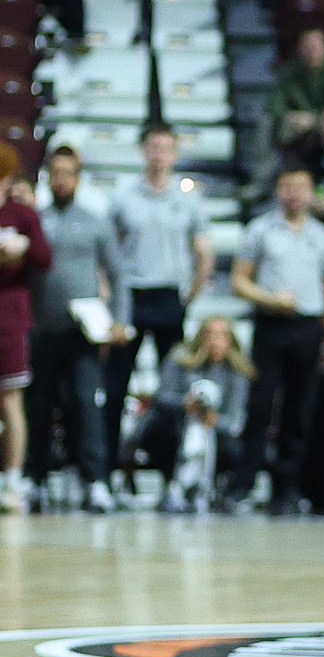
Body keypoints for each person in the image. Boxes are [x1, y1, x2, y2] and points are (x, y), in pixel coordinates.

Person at [230, 167, 324, 513]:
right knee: (260, 405)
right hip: (270, 325)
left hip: (307, 327)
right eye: (287, 186)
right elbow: (240, 281)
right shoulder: (260, 230)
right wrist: (270, 298)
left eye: (301, 187)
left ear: (312, 194)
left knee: (299, 408)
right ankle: (244, 483)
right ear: (278, 191)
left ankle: (287, 486)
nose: (294, 193)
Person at [102, 125, 212, 475]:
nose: (159, 154)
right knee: (116, 385)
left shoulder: (188, 200)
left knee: (172, 390)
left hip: (169, 296)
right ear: (142, 150)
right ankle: (106, 470)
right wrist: (108, 292)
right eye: (153, 147)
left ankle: (169, 469)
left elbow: (203, 251)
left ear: (175, 153)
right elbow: (107, 249)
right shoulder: (124, 196)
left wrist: (190, 293)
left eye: (166, 148)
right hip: (131, 296)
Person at [29, 146, 126, 510]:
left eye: (68, 173)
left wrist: (119, 319)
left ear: (78, 178)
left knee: (86, 404)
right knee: (38, 406)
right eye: (55, 173)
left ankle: (96, 480)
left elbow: (117, 273)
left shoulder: (96, 221)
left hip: (83, 332)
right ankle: (33, 478)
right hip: (43, 328)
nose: (61, 180)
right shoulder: (37, 220)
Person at [146, 317, 252, 512]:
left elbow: (235, 419)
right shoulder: (179, 359)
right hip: (179, 427)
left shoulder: (238, 372)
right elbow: (161, 397)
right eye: (209, 335)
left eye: (221, 336)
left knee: (233, 446)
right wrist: (185, 405)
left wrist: (214, 421)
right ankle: (174, 485)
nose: (214, 341)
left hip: (214, 434)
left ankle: (213, 488)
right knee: (163, 430)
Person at [0, 153, 45, 515]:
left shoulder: (22, 215)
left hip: (10, 319)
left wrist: (24, 247)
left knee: (11, 399)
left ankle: (13, 477)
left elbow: (45, 257)